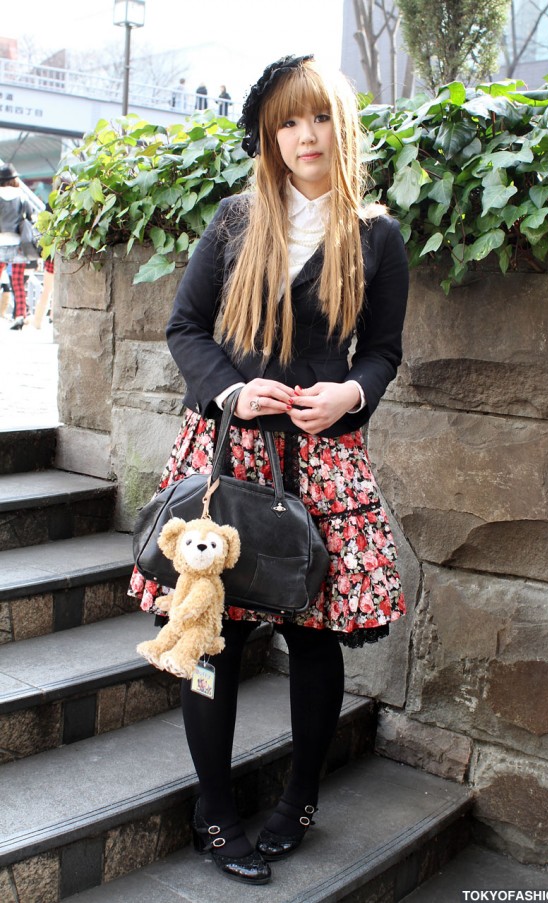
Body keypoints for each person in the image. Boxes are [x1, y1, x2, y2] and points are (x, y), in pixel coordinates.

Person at [128, 54, 409, 885]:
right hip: (230, 454)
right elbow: (186, 329)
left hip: (322, 459)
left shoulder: (377, 236)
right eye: (288, 121)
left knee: (316, 641)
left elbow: (386, 351)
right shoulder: (235, 221)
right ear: (270, 133)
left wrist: (353, 392)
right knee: (211, 632)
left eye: (318, 117)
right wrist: (230, 391)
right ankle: (215, 808)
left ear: (340, 125)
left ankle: (299, 802)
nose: (305, 136)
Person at [0, 162, 34, 330]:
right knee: (18, 282)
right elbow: (30, 217)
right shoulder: (22, 196)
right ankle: (20, 316)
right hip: (18, 244)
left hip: (0, 243)